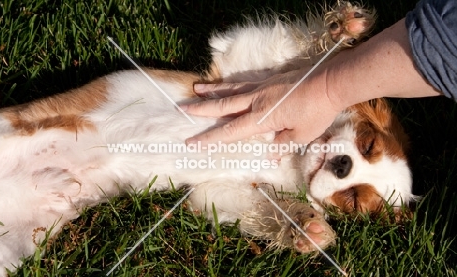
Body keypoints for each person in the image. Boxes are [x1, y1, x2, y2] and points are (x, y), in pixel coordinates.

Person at [182, 0, 455, 147]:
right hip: (240, 71)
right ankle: (322, 45)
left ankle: (324, 50)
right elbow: (446, 42)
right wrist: (326, 90)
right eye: (367, 147)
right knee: (280, 64)